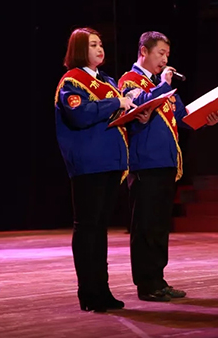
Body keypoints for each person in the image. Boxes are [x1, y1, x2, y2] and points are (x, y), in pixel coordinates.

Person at [119, 31, 218, 302]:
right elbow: (137, 105)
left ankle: (158, 280)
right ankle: (146, 284)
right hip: (145, 163)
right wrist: (163, 85)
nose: (165, 60)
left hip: (166, 161)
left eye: (167, 54)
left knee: (159, 225)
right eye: (160, 53)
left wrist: (206, 118)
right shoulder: (130, 80)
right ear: (144, 51)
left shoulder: (161, 85)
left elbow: (182, 117)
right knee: (145, 225)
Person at [55, 27, 137, 312]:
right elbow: (80, 115)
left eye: (101, 44)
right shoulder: (72, 81)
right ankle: (89, 293)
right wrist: (116, 102)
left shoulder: (107, 81)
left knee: (99, 229)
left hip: (111, 162)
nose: (100, 49)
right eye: (93, 44)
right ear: (79, 49)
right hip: (89, 164)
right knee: (88, 228)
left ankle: (102, 290)